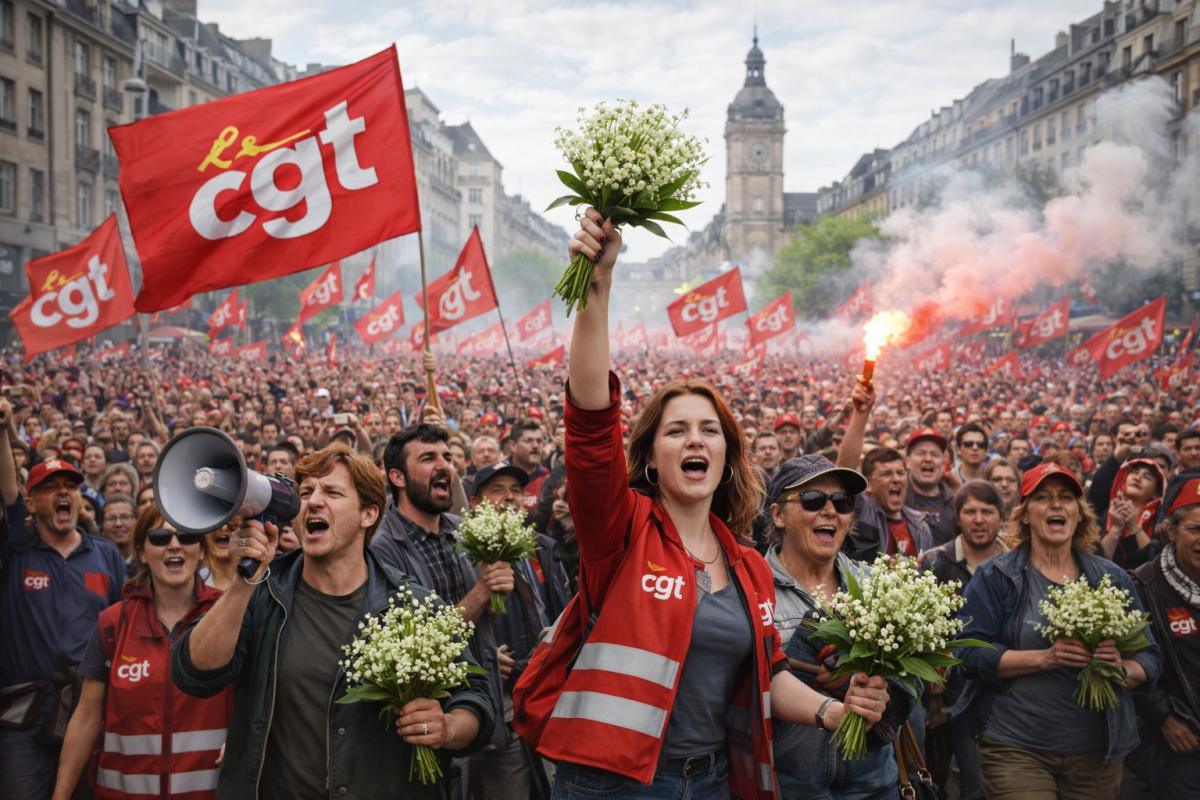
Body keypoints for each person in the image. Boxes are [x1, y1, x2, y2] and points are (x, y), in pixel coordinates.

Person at [514, 208, 889, 799]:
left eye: (709, 430)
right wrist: (598, 286)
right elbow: (589, 424)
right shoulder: (622, 530)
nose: (695, 440)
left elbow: (769, 674)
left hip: (711, 782)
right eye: (676, 430)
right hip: (612, 784)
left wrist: (831, 712)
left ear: (726, 456)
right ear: (651, 458)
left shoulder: (749, 567)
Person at [171, 444, 494, 797]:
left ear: (368, 514)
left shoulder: (408, 604)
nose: (313, 501)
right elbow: (194, 673)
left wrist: (447, 726)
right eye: (306, 492)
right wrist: (242, 583)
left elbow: (476, 699)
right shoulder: (264, 594)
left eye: (332, 492)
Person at [956, 462, 1161, 799]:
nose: (1056, 505)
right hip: (1015, 746)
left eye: (1066, 498)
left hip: (1097, 753)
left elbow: (1150, 658)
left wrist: (1119, 668)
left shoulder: (1111, 578)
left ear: (1079, 514)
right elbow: (967, 651)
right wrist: (1044, 658)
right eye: (1042, 498)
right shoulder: (997, 576)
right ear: (1025, 514)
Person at [51, 507, 232, 800]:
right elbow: (86, 717)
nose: (174, 545)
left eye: (187, 536)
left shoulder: (229, 616)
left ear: (201, 550)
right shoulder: (112, 623)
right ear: (142, 553)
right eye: (160, 537)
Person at [370, 423, 511, 791]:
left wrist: (498, 591)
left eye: (447, 457)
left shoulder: (462, 530)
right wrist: (483, 590)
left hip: (488, 707)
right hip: (436, 721)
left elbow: (486, 617)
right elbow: (420, 642)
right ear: (397, 477)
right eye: (428, 458)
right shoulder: (382, 548)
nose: (444, 466)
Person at [0, 395, 127, 800]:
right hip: (24, 719)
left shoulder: (105, 555)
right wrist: (3, 429)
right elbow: (7, 492)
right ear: (31, 503)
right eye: (50, 488)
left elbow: (123, 629)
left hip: (89, 712)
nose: (63, 493)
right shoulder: (16, 550)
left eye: (70, 486)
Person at [766, 455, 906, 799]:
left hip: (875, 786)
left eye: (842, 502)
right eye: (813, 500)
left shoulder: (877, 585)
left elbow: (910, 683)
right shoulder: (752, 588)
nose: (830, 511)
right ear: (778, 515)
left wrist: (878, 691)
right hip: (790, 789)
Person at [918, 481, 1008, 800]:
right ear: (957, 517)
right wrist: (934, 697)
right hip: (954, 693)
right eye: (970, 511)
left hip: (1006, 689)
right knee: (974, 785)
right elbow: (921, 633)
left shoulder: (1017, 564)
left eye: (987, 511)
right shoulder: (934, 562)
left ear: (1001, 517)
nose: (979, 520)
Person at [1127, 479, 1200, 796]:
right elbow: (1125, 663)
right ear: (1171, 531)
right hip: (1178, 741)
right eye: (1195, 529)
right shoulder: (1142, 586)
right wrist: (1163, 716)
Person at [837, 381, 934, 559]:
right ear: (868, 485)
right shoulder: (863, 514)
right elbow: (844, 472)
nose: (896, 479)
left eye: (900, 473)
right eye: (886, 474)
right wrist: (861, 414)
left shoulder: (920, 525)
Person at [1099, 458, 1165, 568]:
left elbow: (1156, 562)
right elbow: (1098, 561)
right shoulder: (1112, 512)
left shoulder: (1160, 518)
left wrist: (1134, 527)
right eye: (1134, 472)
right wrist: (1115, 529)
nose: (1137, 478)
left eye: (1147, 477)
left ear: (1157, 492)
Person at [905, 428, 957, 546]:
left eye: (935, 454)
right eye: (921, 453)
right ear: (907, 461)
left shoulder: (957, 503)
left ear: (943, 464)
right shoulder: (894, 499)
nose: (928, 459)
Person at [100, 493, 138, 569]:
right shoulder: (95, 562)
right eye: (111, 518)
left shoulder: (149, 561)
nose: (118, 524)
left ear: (137, 521)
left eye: (125, 517)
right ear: (102, 525)